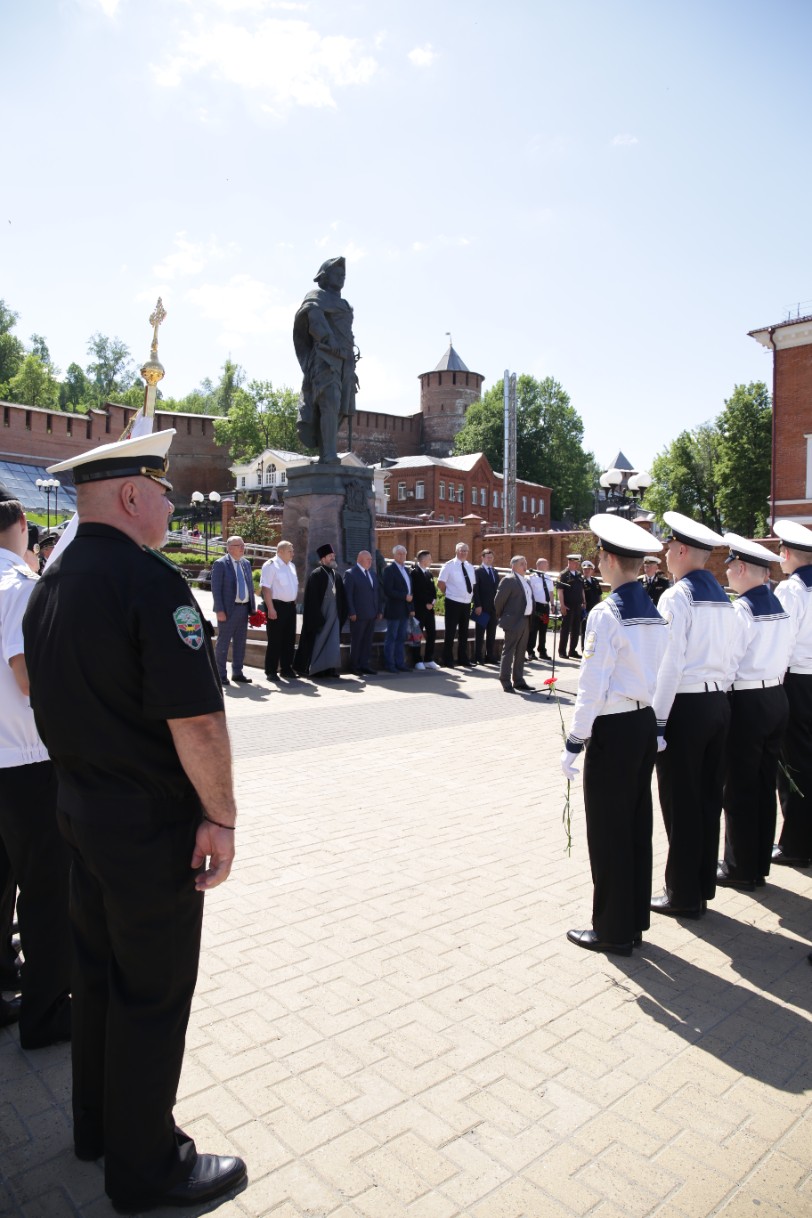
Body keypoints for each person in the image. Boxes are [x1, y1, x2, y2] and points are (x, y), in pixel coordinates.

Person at [23, 430, 246, 1212]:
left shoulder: (49, 585)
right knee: (152, 992)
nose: (171, 508)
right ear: (129, 496)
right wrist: (221, 818)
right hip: (149, 828)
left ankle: (96, 1129)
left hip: (77, 811)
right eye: (162, 492)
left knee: (96, 978)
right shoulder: (151, 583)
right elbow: (199, 723)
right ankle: (147, 1168)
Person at [562, 516, 669, 955]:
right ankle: (633, 919)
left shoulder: (607, 613)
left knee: (608, 830)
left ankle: (611, 929)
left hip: (614, 728)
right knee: (636, 824)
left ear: (607, 560)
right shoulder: (654, 611)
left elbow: (591, 684)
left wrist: (575, 739)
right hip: (643, 722)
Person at [0, 484, 72, 1047]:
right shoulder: (20, 586)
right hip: (25, 761)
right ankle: (44, 1015)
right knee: (46, 892)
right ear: (23, 523)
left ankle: (5, 983)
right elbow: (27, 676)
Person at [651, 511, 736, 918]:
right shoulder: (723, 596)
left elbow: (669, 665)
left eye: (669, 547)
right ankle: (701, 885)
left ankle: (682, 894)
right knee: (707, 800)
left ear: (682, 550)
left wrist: (657, 722)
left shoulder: (676, 597)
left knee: (680, 801)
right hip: (717, 703)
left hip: (684, 707)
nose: (666, 554)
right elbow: (732, 658)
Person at [718, 534, 792, 890]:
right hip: (776, 695)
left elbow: (729, 662)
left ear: (743, 568)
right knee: (764, 785)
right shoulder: (779, 604)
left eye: (731, 566)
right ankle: (758, 862)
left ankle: (740, 868)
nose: (727, 572)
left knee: (740, 788)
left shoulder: (742, 610)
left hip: (748, 700)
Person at [771, 519, 812, 868]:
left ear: (786, 554)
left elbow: (781, 643)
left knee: (794, 763)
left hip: (796, 680)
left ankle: (796, 844)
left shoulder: (791, 589)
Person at [293, 256, 358, 464]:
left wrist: (351, 365)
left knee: (339, 408)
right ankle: (328, 455)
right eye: (336, 274)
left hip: (345, 363)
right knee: (329, 400)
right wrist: (329, 340)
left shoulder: (345, 305)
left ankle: (326, 451)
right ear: (324, 276)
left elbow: (347, 334)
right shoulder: (316, 297)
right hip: (325, 359)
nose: (341, 277)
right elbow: (315, 322)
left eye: (343, 274)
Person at [294, 543, 347, 678]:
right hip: (321, 616)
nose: (333, 558)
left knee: (333, 642)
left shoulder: (337, 575)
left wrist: (342, 614)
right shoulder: (316, 574)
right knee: (319, 641)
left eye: (333, 556)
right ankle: (317, 669)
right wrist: (317, 618)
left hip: (334, 616)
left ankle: (330, 669)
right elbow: (311, 600)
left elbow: (342, 597)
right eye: (330, 556)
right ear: (323, 559)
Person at [211, 536, 255, 686]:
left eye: (243, 545)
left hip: (244, 608)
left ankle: (237, 672)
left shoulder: (246, 563)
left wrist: (253, 608)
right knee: (223, 643)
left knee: (240, 643)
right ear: (229, 548)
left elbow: (250, 587)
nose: (243, 548)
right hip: (228, 610)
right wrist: (219, 610)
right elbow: (216, 589)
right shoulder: (221, 564)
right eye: (239, 545)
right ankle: (220, 674)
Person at [494, 556, 535, 693]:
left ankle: (518, 680)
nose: (525, 566)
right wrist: (505, 617)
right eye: (522, 564)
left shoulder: (526, 580)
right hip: (513, 621)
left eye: (526, 563)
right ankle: (505, 681)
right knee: (509, 651)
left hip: (525, 620)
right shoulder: (509, 580)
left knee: (521, 652)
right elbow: (498, 602)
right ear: (513, 566)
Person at [260, 540, 299, 680]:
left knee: (289, 639)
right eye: (290, 551)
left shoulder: (291, 566)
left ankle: (286, 668)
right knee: (275, 639)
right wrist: (270, 608)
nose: (293, 553)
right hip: (276, 606)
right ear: (280, 551)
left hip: (290, 606)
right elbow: (266, 588)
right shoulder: (271, 565)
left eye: (292, 551)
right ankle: (271, 671)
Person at [343, 550, 382, 676]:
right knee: (357, 641)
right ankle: (354, 666)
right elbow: (348, 595)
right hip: (358, 615)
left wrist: (379, 610)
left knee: (367, 641)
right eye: (367, 559)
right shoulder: (351, 574)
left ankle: (365, 665)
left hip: (372, 614)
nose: (370, 561)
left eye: (371, 559)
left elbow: (376, 594)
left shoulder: (372, 574)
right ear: (359, 560)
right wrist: (351, 612)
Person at [438, 542, 477, 667]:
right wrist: (450, 593)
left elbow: (472, 584)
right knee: (450, 631)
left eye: (466, 550)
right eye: (461, 550)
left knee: (464, 632)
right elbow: (440, 583)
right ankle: (447, 659)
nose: (464, 553)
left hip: (466, 603)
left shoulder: (470, 566)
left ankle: (463, 658)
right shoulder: (449, 565)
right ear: (456, 551)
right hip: (453, 602)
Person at [382, 545, 414, 673]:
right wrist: (404, 596)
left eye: (404, 554)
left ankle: (400, 663)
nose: (402, 556)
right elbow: (388, 590)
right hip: (394, 609)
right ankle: (389, 664)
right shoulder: (389, 570)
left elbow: (410, 590)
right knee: (391, 638)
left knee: (401, 638)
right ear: (394, 555)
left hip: (405, 610)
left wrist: (411, 607)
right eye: (399, 554)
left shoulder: (406, 570)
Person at [410, 550, 439, 670]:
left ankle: (428, 659)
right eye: (429, 558)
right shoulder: (414, 573)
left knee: (432, 633)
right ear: (422, 560)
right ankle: (417, 660)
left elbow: (433, 590)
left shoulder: (429, 574)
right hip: (419, 609)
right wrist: (426, 602)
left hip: (429, 610)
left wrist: (433, 601)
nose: (431, 561)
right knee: (417, 635)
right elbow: (416, 591)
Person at [473, 549, 501, 665]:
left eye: (491, 557)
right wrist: (477, 605)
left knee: (492, 633)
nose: (490, 559)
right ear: (482, 558)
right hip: (482, 608)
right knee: (480, 633)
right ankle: (478, 656)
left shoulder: (494, 571)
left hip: (493, 608)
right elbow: (475, 590)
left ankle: (490, 655)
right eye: (488, 557)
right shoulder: (478, 571)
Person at [556, 553, 585, 659]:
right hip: (568, 605)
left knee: (576, 629)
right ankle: (562, 651)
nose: (577, 565)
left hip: (578, 605)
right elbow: (560, 591)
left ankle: (572, 650)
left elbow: (581, 589)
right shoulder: (563, 575)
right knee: (565, 629)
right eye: (575, 563)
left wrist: (584, 602)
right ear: (570, 562)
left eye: (577, 563)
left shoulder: (578, 574)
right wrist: (562, 605)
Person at [527, 558, 552, 660]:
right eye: (545, 564)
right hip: (537, 607)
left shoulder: (548, 577)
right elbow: (530, 592)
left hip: (545, 607)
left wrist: (552, 604)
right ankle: (530, 651)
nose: (547, 566)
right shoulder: (532, 578)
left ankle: (542, 651)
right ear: (539, 565)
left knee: (543, 629)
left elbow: (551, 592)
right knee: (534, 629)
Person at [580, 559, 603, 649]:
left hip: (596, 607)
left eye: (588, 569)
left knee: (595, 629)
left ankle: (593, 647)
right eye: (585, 569)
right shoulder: (581, 581)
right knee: (585, 628)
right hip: (587, 608)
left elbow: (599, 594)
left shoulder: (595, 581)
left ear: (592, 570)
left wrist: (601, 606)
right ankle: (584, 647)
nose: (586, 571)